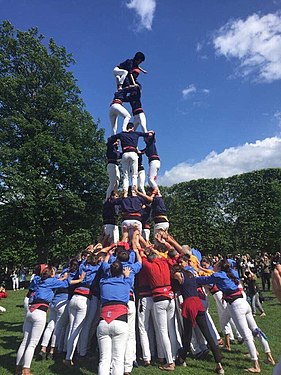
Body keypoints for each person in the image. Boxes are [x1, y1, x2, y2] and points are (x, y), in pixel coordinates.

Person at [196, 259, 275, 373]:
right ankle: (269, 357)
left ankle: (255, 365)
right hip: (242, 302)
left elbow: (204, 280)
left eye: (216, 264)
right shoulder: (232, 272)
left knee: (246, 335)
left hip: (235, 305)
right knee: (255, 330)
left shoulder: (219, 275)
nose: (214, 265)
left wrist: (191, 278)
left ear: (219, 267)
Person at [15, 266, 84, 375]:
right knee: (32, 343)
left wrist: (59, 279)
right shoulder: (52, 281)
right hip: (40, 312)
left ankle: (18, 368)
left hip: (30, 310)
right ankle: (26, 370)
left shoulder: (37, 279)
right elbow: (67, 283)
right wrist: (79, 279)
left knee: (25, 341)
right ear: (51, 274)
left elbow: (53, 281)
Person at [172, 265, 224, 374]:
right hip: (198, 303)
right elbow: (207, 279)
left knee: (188, 334)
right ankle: (218, 363)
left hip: (189, 304)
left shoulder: (179, 276)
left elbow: (176, 278)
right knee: (207, 333)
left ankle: (182, 358)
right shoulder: (193, 278)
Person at [97, 253, 133, 375]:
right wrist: (126, 275)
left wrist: (107, 256)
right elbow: (129, 281)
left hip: (104, 320)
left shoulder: (103, 282)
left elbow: (104, 265)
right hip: (120, 320)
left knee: (104, 358)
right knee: (118, 359)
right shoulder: (127, 282)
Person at [109, 123, 153, 197]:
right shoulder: (136, 133)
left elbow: (111, 138)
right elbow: (148, 135)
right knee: (134, 175)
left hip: (125, 154)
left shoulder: (122, 134)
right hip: (133, 154)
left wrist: (114, 142)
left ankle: (125, 192)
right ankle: (133, 192)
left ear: (127, 128)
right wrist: (151, 132)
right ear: (132, 128)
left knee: (125, 175)